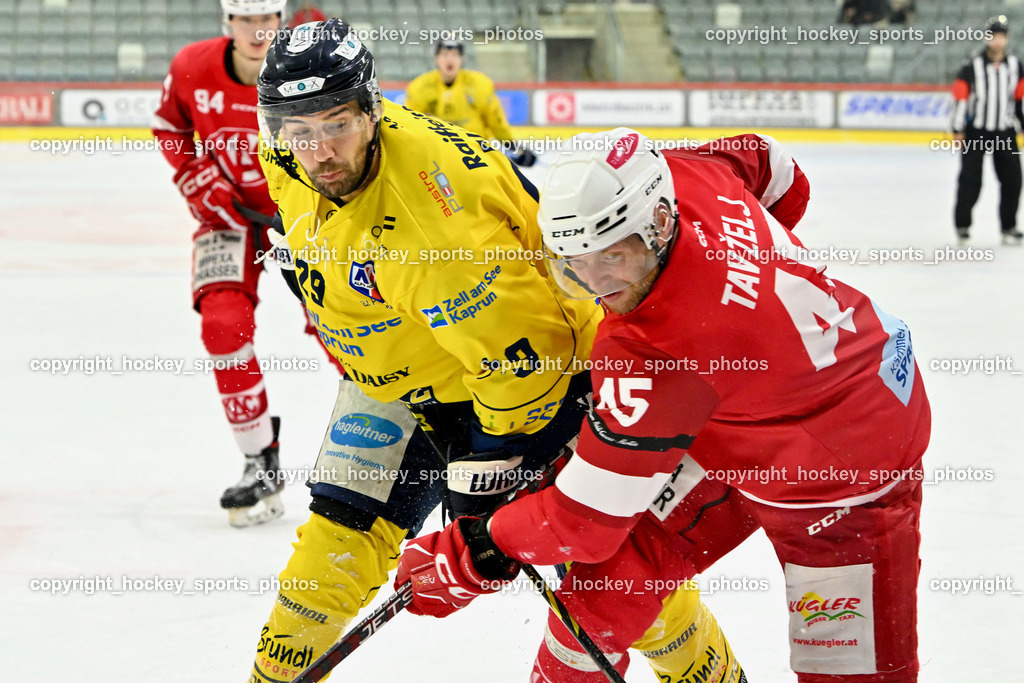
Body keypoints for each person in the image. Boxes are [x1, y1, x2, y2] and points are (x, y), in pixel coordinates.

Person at [245, 19, 741, 683]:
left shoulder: (438, 229)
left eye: (336, 123)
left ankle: (710, 675)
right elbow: (299, 199)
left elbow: (524, 360)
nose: (319, 150)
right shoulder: (287, 144)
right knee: (329, 551)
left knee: (607, 576)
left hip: (532, 383)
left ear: (371, 111)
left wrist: (483, 479)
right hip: (401, 377)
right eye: (298, 129)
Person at [398, 128, 931, 683]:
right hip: (739, 424)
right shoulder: (685, 176)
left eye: (613, 256)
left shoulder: (653, 354)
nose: (597, 282)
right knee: (602, 596)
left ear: (655, 224)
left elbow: (584, 522)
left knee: (849, 672)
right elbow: (774, 164)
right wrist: (764, 289)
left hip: (849, 471)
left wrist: (470, 552)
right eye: (573, 263)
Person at [152, 0, 341, 527]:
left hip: (303, 218)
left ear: (281, 21)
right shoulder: (192, 65)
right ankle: (259, 456)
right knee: (222, 325)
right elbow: (169, 126)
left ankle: (400, 439)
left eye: (268, 20)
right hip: (227, 219)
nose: (259, 31)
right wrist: (193, 175)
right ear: (227, 22)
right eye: (247, 20)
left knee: (345, 327)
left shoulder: (306, 68)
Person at [951, 15, 1024, 246]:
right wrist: (957, 129)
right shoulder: (971, 65)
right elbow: (961, 98)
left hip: (1004, 130)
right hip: (977, 131)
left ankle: (1009, 227)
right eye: (993, 37)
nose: (997, 42)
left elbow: (1019, 99)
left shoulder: (1015, 65)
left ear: (1006, 39)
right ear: (987, 38)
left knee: (1013, 179)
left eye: (1001, 37)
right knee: (971, 181)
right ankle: (963, 226)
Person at [405, 39, 537, 167]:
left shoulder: (479, 84)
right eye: (444, 54)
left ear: (461, 59)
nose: (450, 59)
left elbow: (495, 120)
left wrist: (511, 146)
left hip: (475, 154)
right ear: (436, 59)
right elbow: (410, 123)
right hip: (438, 154)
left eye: (455, 55)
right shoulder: (420, 87)